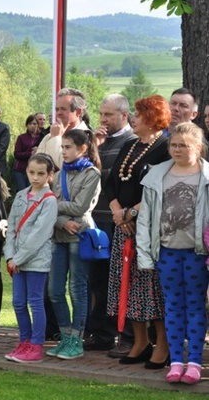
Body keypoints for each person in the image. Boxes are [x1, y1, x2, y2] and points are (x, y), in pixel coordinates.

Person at [137, 122, 209, 385]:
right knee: (173, 307)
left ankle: (194, 363)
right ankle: (176, 361)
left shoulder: (206, 176)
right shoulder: (157, 176)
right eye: (174, 145)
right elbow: (144, 219)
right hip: (166, 252)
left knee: (196, 307)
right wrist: (144, 255)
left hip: (198, 254)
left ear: (198, 147)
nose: (177, 149)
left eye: (184, 145)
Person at [105, 95, 171, 369]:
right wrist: (119, 213)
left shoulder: (165, 147)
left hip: (149, 229)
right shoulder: (130, 144)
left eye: (138, 114)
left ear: (152, 118)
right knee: (127, 286)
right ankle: (140, 342)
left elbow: (163, 189)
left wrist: (132, 213)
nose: (133, 117)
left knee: (151, 288)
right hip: (123, 228)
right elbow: (110, 184)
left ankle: (163, 345)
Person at [88, 94, 137, 355]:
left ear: (124, 115)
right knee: (98, 281)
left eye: (108, 114)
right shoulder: (98, 142)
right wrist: (94, 146)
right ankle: (102, 333)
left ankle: (127, 337)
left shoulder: (131, 142)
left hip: (120, 221)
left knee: (121, 281)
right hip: (96, 220)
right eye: (101, 114)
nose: (103, 119)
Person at [47, 130, 102, 360]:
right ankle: (65, 335)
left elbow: (80, 208)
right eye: (62, 147)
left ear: (81, 149)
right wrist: (61, 219)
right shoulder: (59, 175)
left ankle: (77, 339)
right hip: (60, 233)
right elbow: (49, 203)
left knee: (77, 289)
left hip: (79, 235)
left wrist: (55, 205)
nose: (64, 152)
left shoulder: (92, 174)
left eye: (68, 147)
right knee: (55, 290)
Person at [3, 153, 58, 363]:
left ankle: (36, 345)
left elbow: (39, 234)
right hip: (16, 259)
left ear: (49, 175)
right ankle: (24, 341)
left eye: (40, 173)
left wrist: (19, 258)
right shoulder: (21, 195)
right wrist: (9, 256)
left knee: (35, 302)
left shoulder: (49, 200)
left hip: (35, 260)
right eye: (31, 172)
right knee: (18, 302)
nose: (35, 177)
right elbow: (11, 228)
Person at [36, 88, 89, 169]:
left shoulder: (87, 137)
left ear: (78, 112)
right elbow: (36, 165)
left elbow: (66, 165)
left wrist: (56, 139)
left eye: (63, 109)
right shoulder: (49, 136)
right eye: (57, 109)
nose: (59, 113)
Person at [12, 114, 41, 191]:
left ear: (38, 125)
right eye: (30, 124)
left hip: (35, 170)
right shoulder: (21, 137)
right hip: (20, 169)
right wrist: (30, 154)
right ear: (27, 125)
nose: (32, 126)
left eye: (34, 124)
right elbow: (16, 154)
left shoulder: (41, 138)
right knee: (22, 191)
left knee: (32, 191)